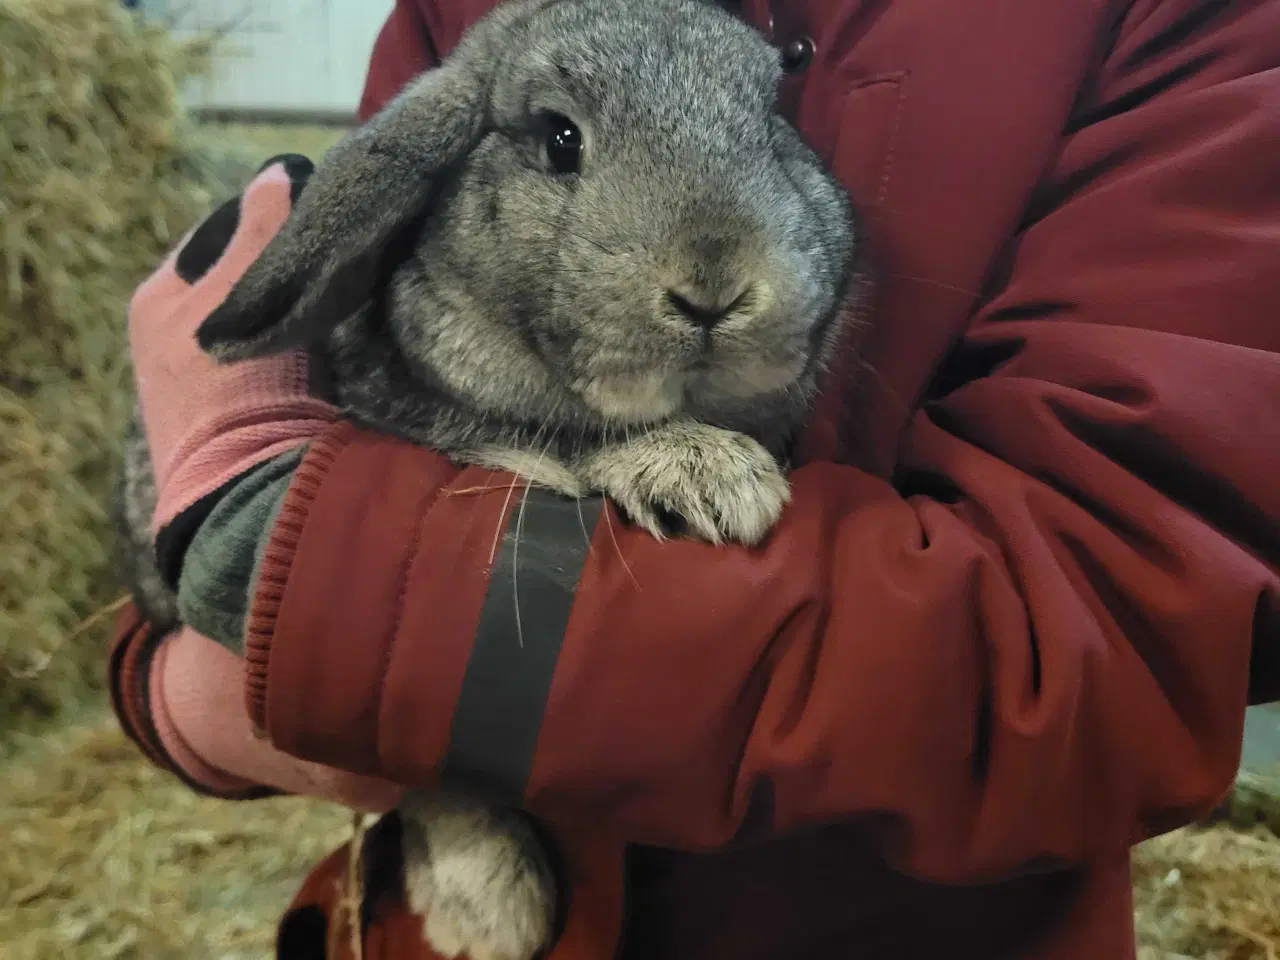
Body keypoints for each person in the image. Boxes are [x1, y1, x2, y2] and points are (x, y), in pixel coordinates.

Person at [109, 0, 1280, 957]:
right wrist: (177, 681)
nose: (710, 273)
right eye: (562, 145)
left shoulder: (1166, 25)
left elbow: (1109, 635)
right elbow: (278, 402)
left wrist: (289, 574)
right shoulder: (466, 33)